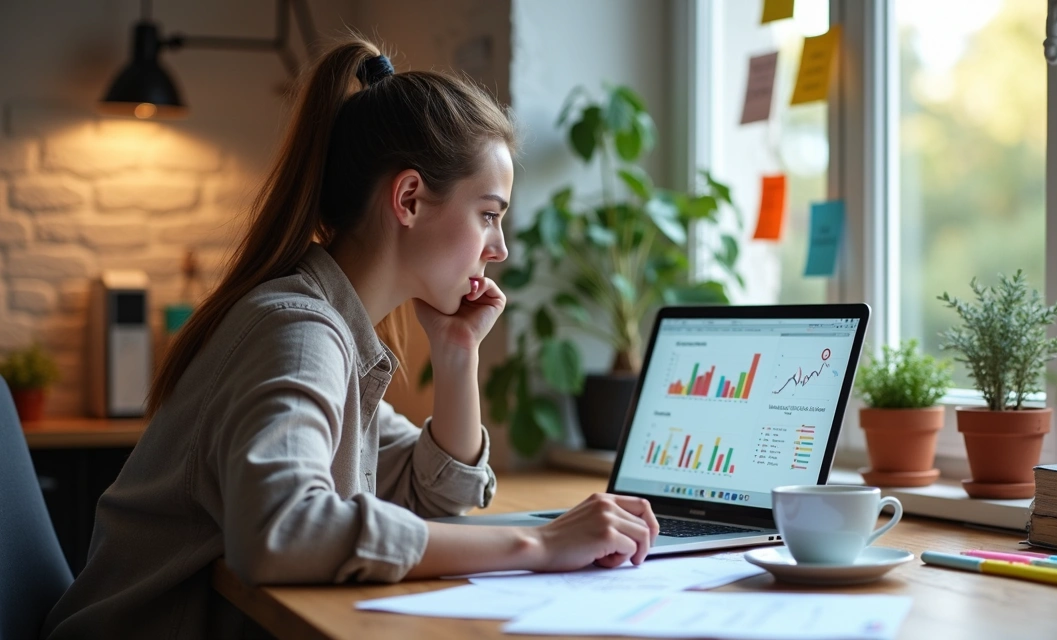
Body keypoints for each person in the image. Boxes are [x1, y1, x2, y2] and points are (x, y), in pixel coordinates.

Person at [42, 37, 659, 639]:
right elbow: (282, 530)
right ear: (410, 198)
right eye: (489, 215)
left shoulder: (330, 328)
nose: (498, 249)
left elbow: (436, 496)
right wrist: (541, 542)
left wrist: (456, 355)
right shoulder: (298, 331)